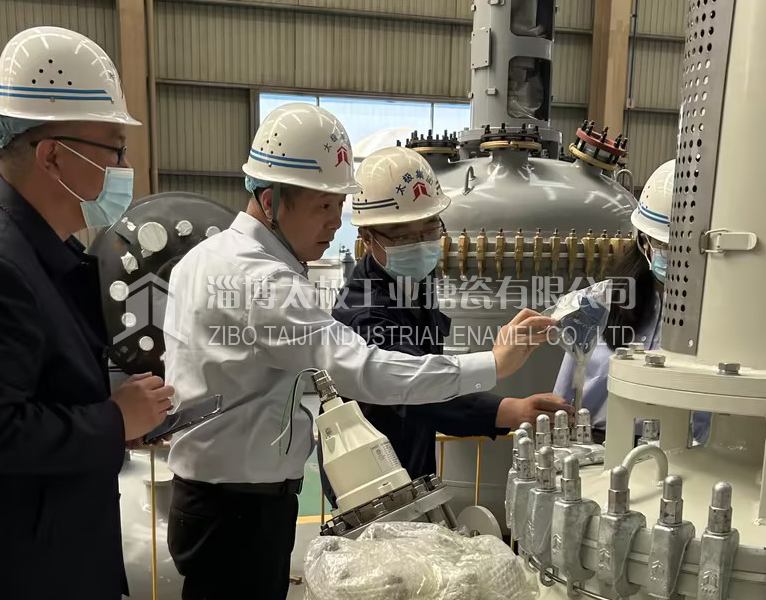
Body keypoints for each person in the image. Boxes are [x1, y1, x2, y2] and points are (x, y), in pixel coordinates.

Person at [163, 103, 556, 600]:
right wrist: (493, 366)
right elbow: (367, 370)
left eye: (339, 205)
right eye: (322, 206)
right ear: (270, 200)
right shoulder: (264, 282)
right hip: (240, 511)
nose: (335, 223)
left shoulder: (206, 259)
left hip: (221, 500)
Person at [0, 27, 173, 600]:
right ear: (53, 155)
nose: (125, 166)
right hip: (27, 570)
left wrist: (114, 418)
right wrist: (113, 421)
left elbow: (37, 384)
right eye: (115, 149)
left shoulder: (34, 248)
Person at [320, 146, 571, 501]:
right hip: (370, 485)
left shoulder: (415, 281)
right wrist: (508, 407)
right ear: (367, 238)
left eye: (429, 230)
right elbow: (416, 388)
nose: (421, 245)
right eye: (404, 237)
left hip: (412, 465)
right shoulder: (362, 314)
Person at [553, 159, 709, 442]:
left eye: (686, 250)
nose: (675, 258)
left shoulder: (719, 318)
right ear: (643, 241)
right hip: (597, 449)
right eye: (664, 245)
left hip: (685, 453)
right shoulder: (599, 303)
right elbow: (563, 400)